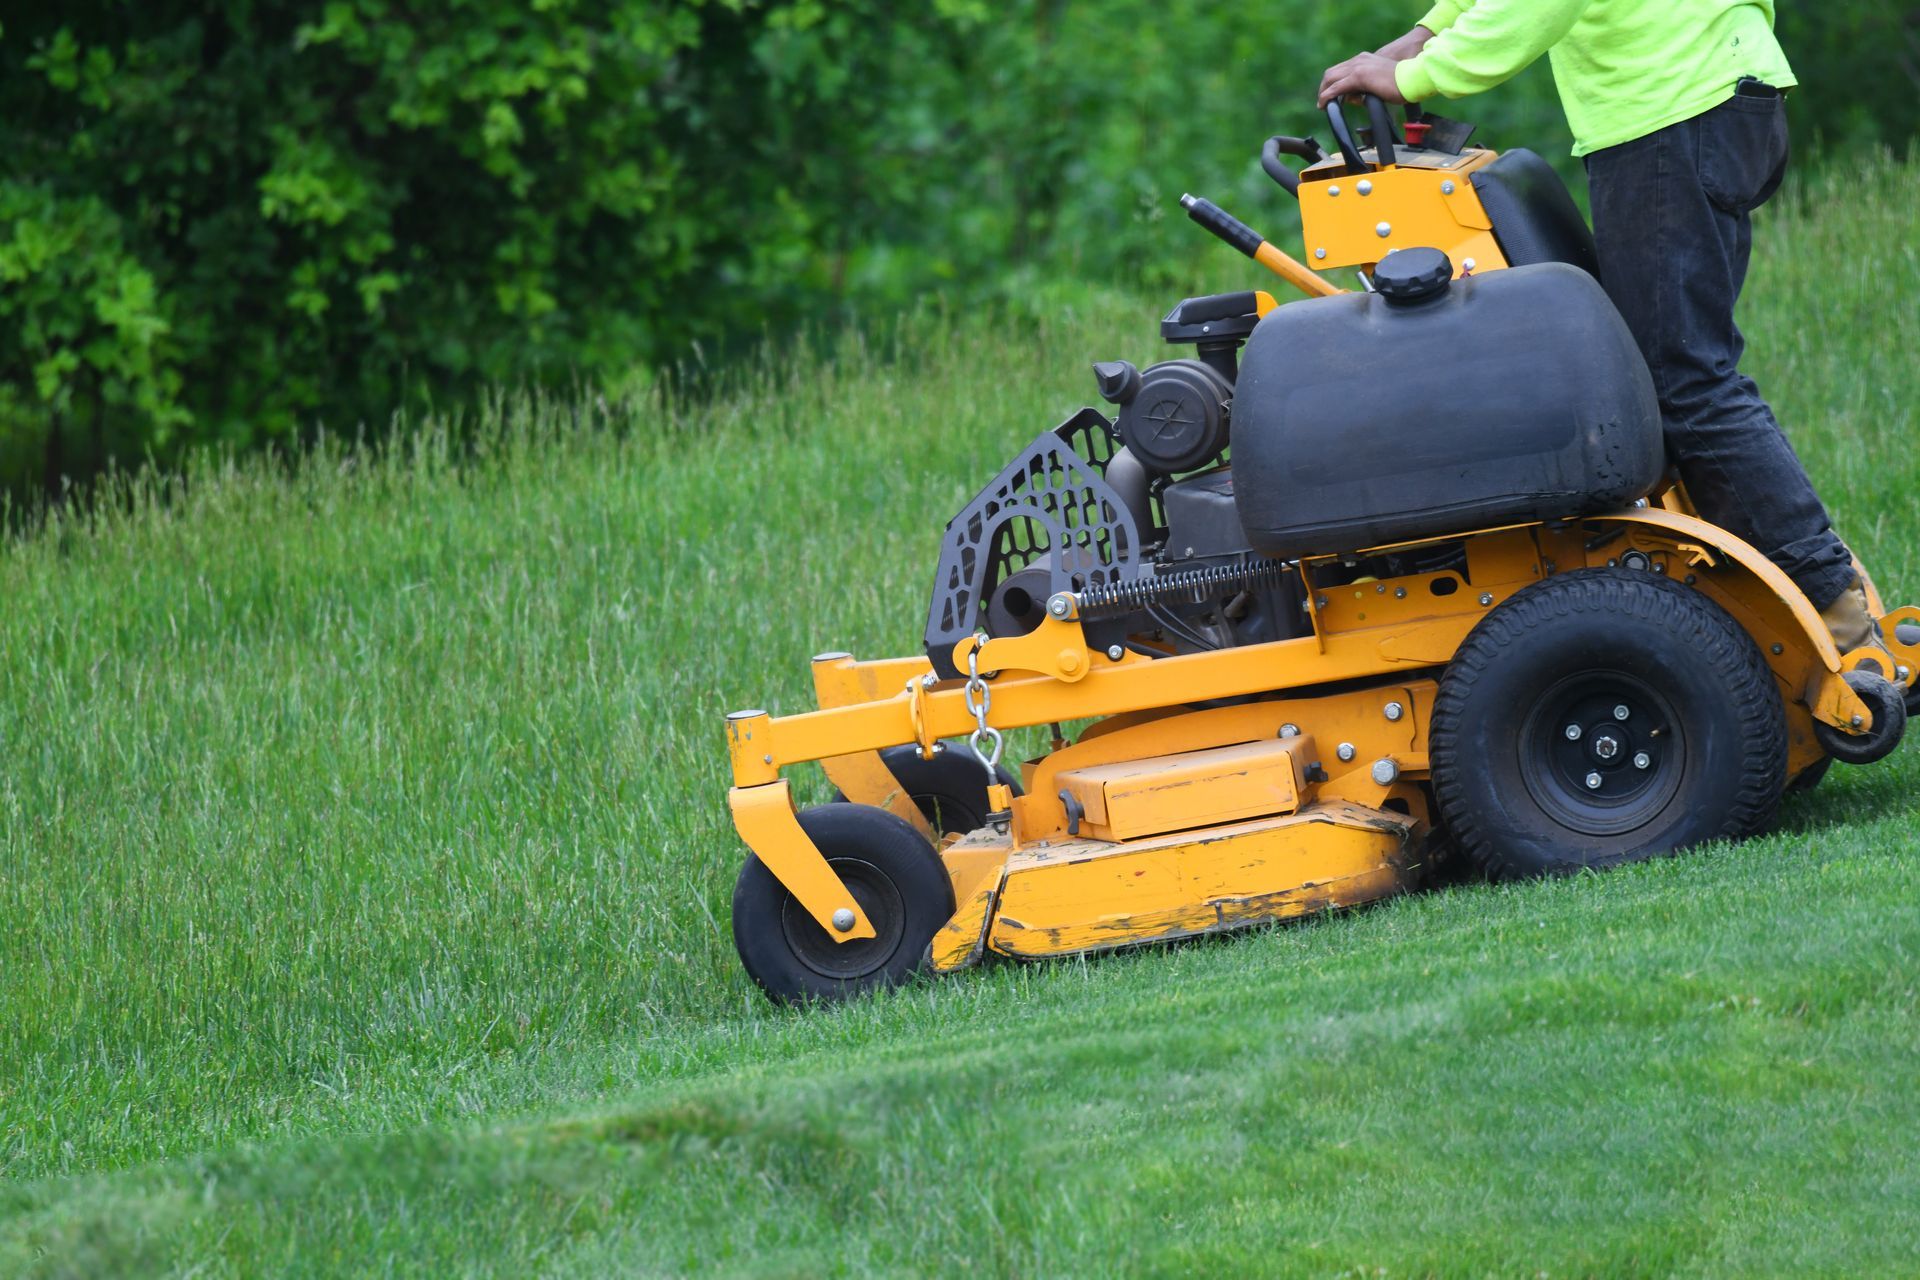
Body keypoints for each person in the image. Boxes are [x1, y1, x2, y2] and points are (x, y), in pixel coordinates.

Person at [1317, 2, 1886, 655]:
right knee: (1674, 375)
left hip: (1671, 110)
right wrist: (1426, 33)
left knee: (1683, 383)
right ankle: (1800, 599)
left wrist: (1416, 74)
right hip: (1710, 95)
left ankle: (1833, 609)